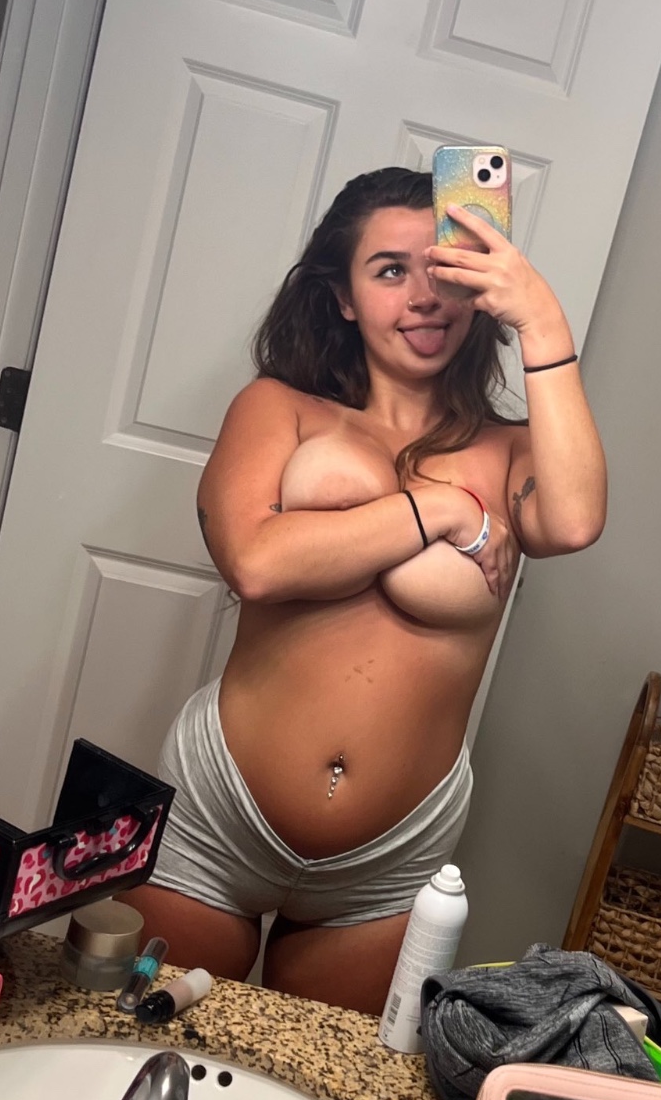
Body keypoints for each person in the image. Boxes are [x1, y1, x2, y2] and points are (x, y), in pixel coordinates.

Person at [121, 167, 606, 1013]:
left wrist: (541, 320)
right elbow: (256, 562)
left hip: (387, 863)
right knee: (135, 1041)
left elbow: (571, 523)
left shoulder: (510, 451)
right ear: (343, 297)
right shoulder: (279, 408)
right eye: (389, 270)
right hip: (218, 815)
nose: (424, 297)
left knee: (320, 1081)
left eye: (443, 270)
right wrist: (439, 509)